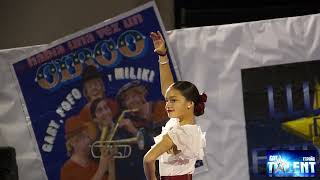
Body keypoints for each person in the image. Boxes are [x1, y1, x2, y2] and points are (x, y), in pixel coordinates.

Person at [143, 31, 207, 180]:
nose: (167, 104)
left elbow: (148, 159)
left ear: (189, 104)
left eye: (173, 101)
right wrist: (162, 56)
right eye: (167, 101)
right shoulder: (184, 126)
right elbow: (168, 88)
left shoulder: (180, 134)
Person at [60, 116, 115, 180]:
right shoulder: (67, 170)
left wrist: (111, 162)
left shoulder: (93, 162)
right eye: (83, 137)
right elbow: (100, 171)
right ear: (73, 143)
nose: (88, 140)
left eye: (88, 136)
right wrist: (101, 170)